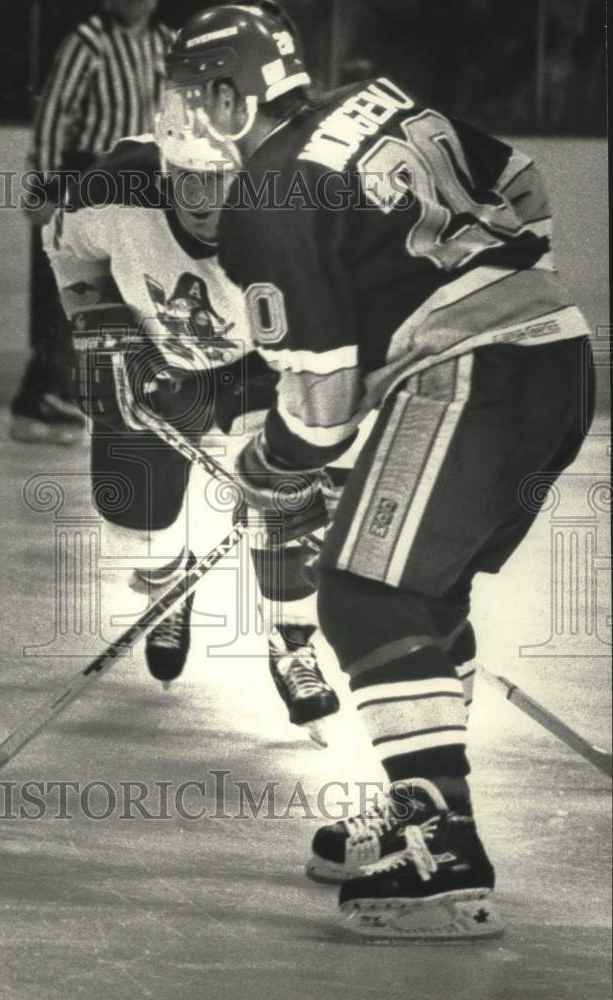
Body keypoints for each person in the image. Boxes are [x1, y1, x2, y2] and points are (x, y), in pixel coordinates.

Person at [162, 2, 595, 940]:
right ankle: (420, 807)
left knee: (361, 593)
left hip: (470, 380)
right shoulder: (382, 100)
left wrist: (269, 464)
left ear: (226, 95)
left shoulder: (265, 193)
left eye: (187, 100)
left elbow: (316, 399)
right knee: (423, 594)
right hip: (557, 356)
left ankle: (443, 853)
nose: (182, 123)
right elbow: (520, 178)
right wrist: (504, 289)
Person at [42, 117, 341, 737]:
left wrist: (328, 446)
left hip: (261, 362)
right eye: (187, 179)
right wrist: (96, 320)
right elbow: (66, 247)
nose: (203, 201)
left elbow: (340, 323)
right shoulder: (116, 190)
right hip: (157, 359)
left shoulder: (293, 204)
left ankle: (292, 643)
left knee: (282, 491)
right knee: (132, 517)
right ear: (163, 167)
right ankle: (169, 583)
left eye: (219, 179)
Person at [11, 0, 175, 446]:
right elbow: (54, 114)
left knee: (130, 285)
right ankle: (47, 395)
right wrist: (44, 188)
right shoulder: (91, 41)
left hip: (143, 178)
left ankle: (73, 393)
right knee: (69, 288)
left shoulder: (167, 44)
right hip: (85, 176)